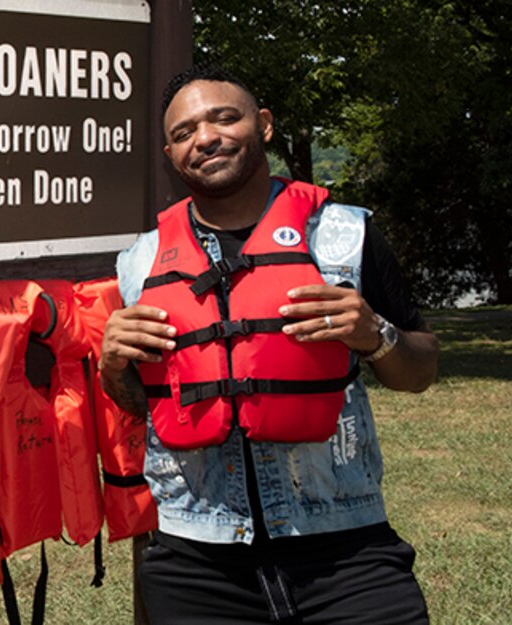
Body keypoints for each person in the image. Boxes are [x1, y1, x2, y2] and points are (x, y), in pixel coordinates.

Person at [99, 65, 439, 624]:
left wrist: (374, 333)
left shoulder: (344, 236)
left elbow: (420, 370)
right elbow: (143, 404)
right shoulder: (139, 263)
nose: (205, 137)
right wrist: (115, 366)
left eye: (224, 118)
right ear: (170, 152)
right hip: (195, 558)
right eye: (184, 132)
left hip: (344, 545)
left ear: (264, 126)